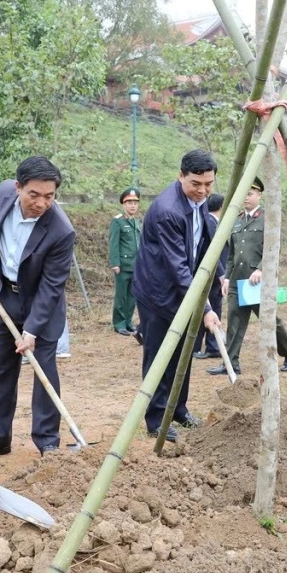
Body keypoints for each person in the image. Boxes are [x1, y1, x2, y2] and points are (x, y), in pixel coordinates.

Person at [0, 157, 75, 461]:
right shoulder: (1, 195)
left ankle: (48, 441)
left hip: (42, 305)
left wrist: (32, 330)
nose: (41, 203)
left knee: (44, 370)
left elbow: (52, 286)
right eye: (34, 194)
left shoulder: (61, 230)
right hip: (5, 296)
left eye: (49, 196)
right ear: (18, 187)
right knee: (1, 368)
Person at [132, 150, 222, 442]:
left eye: (208, 184)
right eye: (196, 183)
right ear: (181, 176)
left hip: (184, 290)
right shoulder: (167, 211)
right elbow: (178, 267)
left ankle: (178, 409)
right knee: (160, 356)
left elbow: (203, 243)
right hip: (158, 293)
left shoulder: (199, 202)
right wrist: (205, 309)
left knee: (184, 353)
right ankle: (156, 419)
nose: (203, 190)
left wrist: (220, 275)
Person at [207, 178, 287, 376]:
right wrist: (227, 278)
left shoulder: (267, 219)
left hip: (257, 282)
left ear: (259, 195)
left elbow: (274, 248)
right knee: (234, 322)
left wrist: (260, 269)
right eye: (244, 195)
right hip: (237, 280)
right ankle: (231, 362)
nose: (246, 198)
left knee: (269, 320)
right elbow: (231, 254)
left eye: (249, 194)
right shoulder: (237, 220)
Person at [194, 192, 228, 360]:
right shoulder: (211, 223)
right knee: (213, 307)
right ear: (222, 207)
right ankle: (213, 346)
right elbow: (213, 253)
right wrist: (221, 274)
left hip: (211, 273)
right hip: (212, 275)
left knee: (205, 308)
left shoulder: (208, 221)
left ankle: (199, 346)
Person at [109, 187, 142, 336]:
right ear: (124, 204)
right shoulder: (118, 222)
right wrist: (115, 263)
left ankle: (128, 322)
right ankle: (119, 323)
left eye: (135, 203)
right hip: (123, 265)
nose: (133, 206)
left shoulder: (136, 222)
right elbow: (113, 243)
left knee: (132, 296)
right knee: (121, 296)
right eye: (129, 203)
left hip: (136, 265)